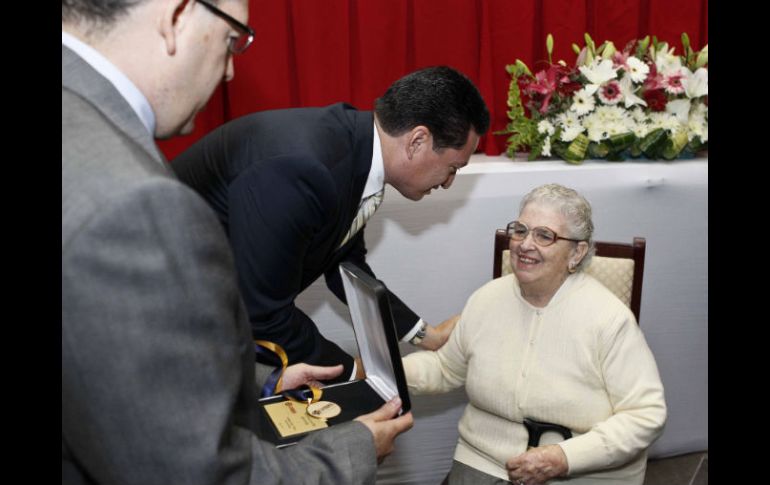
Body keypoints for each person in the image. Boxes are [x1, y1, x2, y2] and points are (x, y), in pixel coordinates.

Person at [62, 1, 412, 483]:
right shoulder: (135, 205)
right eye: (231, 40)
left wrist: (261, 380)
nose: (229, 71)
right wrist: (353, 450)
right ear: (178, 16)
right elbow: (197, 473)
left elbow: (106, 362)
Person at [171, 66, 491, 382]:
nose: (448, 183)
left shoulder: (354, 146)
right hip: (167, 315)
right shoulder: (304, 168)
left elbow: (346, 265)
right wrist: (352, 372)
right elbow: (263, 315)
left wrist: (425, 335)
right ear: (418, 141)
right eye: (452, 168)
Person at [402, 183, 667, 485]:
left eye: (544, 235)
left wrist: (562, 458)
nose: (526, 244)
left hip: (580, 472)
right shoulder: (486, 298)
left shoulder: (609, 319)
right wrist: (379, 371)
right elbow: (444, 368)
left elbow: (646, 415)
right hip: (484, 461)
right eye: (520, 230)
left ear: (577, 252)